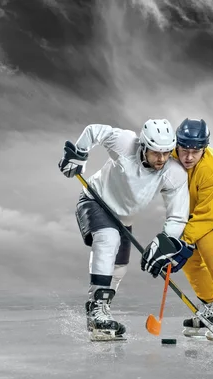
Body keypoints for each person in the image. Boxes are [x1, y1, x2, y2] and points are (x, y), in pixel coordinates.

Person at [58, 118, 189, 341]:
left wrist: (167, 240)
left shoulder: (174, 174)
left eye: (167, 153)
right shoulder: (125, 142)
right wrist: (79, 154)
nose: (161, 159)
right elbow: (94, 131)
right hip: (95, 200)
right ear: (144, 146)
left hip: (124, 219)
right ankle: (97, 308)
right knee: (107, 238)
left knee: (119, 267)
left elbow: (177, 215)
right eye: (156, 152)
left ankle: (100, 311)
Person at [141, 118, 213, 336]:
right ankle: (212, 306)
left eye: (196, 151)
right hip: (193, 199)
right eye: (183, 150)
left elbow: (208, 216)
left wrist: (183, 242)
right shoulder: (167, 156)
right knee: (188, 255)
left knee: (209, 237)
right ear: (175, 146)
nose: (188, 157)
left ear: (204, 149)